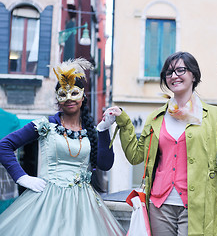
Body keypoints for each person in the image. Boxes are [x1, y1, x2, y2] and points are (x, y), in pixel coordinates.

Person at [99, 51, 217, 236]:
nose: (174, 76)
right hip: (159, 206)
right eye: (169, 72)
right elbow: (135, 156)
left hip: (199, 205)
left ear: (193, 75)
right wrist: (124, 123)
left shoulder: (212, 115)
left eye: (180, 70)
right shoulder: (155, 118)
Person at [0, 58, 124, 235]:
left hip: (82, 206)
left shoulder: (90, 130)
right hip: (46, 201)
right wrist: (22, 177)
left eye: (74, 93)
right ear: (57, 98)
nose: (68, 99)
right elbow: (4, 145)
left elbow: (105, 165)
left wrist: (103, 130)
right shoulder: (44, 125)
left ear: (83, 96)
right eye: (62, 94)